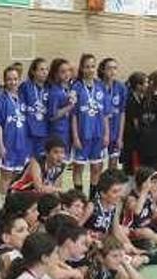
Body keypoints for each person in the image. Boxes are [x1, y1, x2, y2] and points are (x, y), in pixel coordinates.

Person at [72, 53, 108, 194]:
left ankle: (93, 200)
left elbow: (105, 114)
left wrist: (106, 134)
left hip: (98, 134)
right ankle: (79, 198)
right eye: (87, 67)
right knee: (78, 168)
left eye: (93, 66)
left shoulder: (101, 87)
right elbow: (73, 115)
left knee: (96, 167)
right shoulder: (76, 87)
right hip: (82, 134)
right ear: (82, 68)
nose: (90, 69)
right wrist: (75, 137)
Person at [0, 65, 30, 195]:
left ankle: (14, 202)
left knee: (19, 176)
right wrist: (1, 145)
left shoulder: (23, 98)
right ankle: (3, 203)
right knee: (6, 176)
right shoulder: (0, 99)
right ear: (4, 80)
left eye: (15, 79)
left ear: (19, 80)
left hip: (23, 144)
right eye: (9, 79)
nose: (12, 82)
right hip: (8, 143)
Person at [98, 57, 127, 170]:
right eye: (109, 68)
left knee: (113, 165)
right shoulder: (97, 87)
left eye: (115, 68)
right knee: (98, 165)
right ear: (103, 70)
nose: (113, 71)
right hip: (100, 132)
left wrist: (120, 137)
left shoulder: (121, 88)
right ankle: (98, 187)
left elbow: (122, 113)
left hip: (115, 131)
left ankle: (111, 187)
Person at [46, 58, 76, 163]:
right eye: (63, 72)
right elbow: (52, 116)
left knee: (62, 165)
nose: (67, 74)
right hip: (57, 132)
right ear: (56, 74)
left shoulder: (68, 89)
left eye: (69, 70)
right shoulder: (54, 91)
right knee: (56, 166)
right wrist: (70, 106)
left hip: (67, 132)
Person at [20, 58, 51, 160]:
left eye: (46, 69)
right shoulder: (25, 87)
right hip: (28, 131)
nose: (45, 72)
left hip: (44, 132)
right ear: (33, 71)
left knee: (40, 163)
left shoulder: (50, 88)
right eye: (41, 69)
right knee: (27, 163)